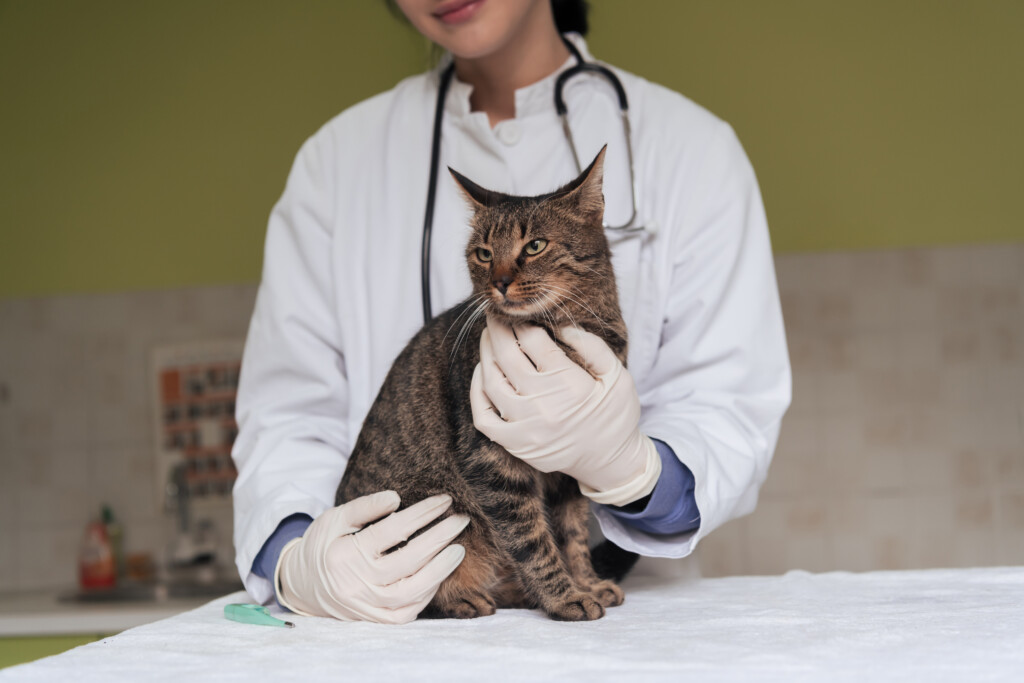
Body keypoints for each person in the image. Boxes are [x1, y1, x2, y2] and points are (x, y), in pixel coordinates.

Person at [232, 0, 791, 624]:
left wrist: (632, 471)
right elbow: (286, 415)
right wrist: (297, 559)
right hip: (397, 618)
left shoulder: (693, 148)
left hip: (629, 626)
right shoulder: (333, 164)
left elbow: (731, 406)